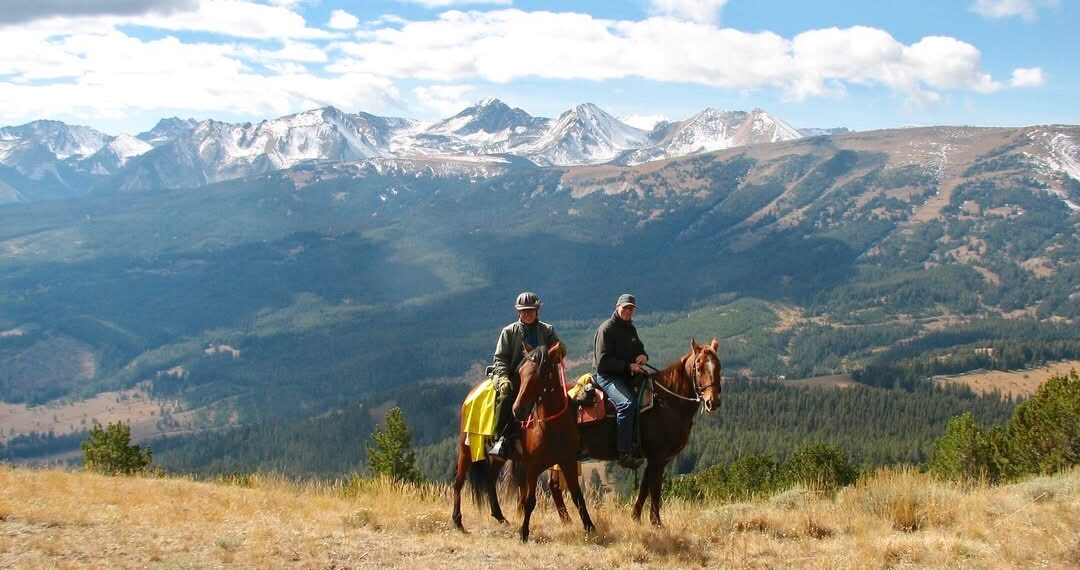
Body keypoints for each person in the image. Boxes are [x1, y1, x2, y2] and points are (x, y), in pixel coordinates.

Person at [488, 291, 561, 459]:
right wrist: (504, 379)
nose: (527, 314)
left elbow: (557, 350)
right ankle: (500, 439)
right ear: (518, 312)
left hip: (539, 378)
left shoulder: (548, 330)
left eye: (530, 310)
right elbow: (500, 359)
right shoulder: (509, 332)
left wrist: (559, 350)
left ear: (537, 311)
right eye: (523, 311)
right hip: (514, 375)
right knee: (506, 396)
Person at [593, 293, 648, 469]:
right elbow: (603, 362)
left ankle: (638, 442)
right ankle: (624, 453)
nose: (628, 311)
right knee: (626, 404)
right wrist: (628, 367)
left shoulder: (630, 329)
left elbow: (639, 348)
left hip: (626, 375)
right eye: (625, 308)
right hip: (607, 376)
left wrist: (643, 356)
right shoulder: (606, 329)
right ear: (617, 307)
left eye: (631, 308)